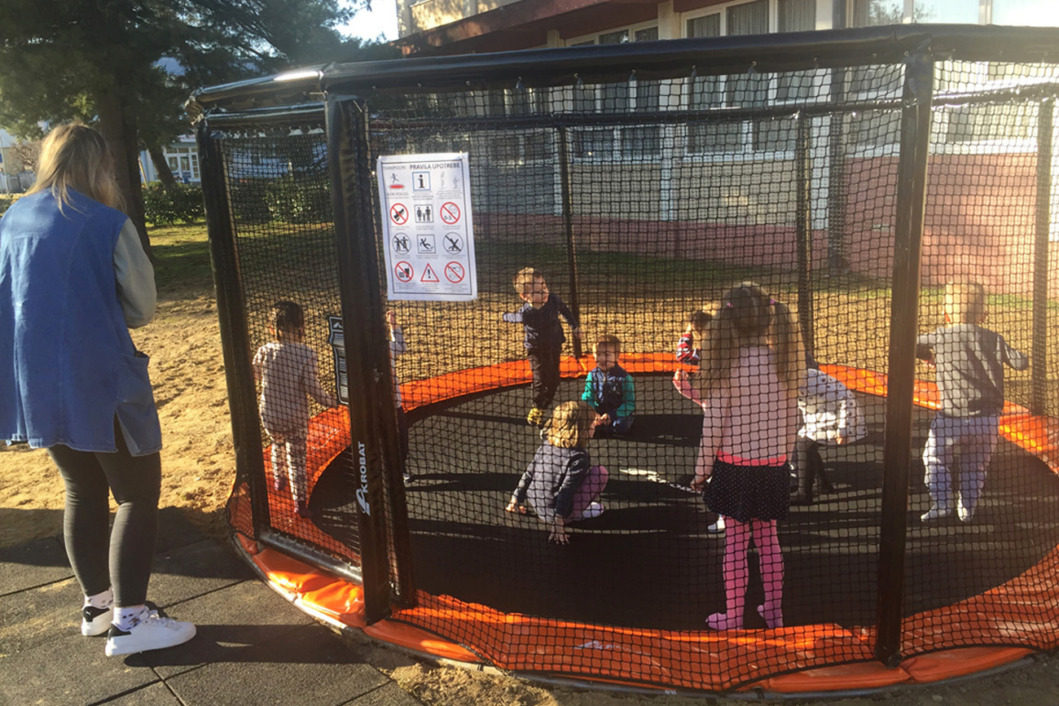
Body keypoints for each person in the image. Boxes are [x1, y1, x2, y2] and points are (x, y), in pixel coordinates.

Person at [0, 122, 195, 656]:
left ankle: (97, 606)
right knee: (136, 493)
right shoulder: (107, 222)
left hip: (34, 381)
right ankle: (130, 622)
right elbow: (141, 308)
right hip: (99, 376)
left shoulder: (12, 217)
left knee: (81, 490)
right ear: (98, 164)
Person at [673, 282, 805, 630]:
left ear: (725, 321)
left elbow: (713, 427)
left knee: (735, 545)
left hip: (735, 469)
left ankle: (734, 616)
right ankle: (773, 611)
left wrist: (701, 473)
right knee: (769, 541)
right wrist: (783, 459)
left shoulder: (726, 367)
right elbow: (792, 421)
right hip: (773, 468)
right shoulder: (783, 362)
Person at [915, 282, 1028, 523]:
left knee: (934, 458)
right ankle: (967, 508)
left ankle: (942, 502)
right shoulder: (994, 339)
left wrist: (930, 356)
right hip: (987, 422)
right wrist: (1018, 355)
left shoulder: (941, 336)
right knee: (974, 466)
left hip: (951, 418)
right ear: (983, 316)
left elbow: (911, 345)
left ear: (945, 315)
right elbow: (1021, 363)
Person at [253, 301, 339, 516]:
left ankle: (278, 479)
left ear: (272, 329)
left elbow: (253, 375)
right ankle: (299, 502)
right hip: (294, 418)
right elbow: (312, 386)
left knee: (277, 444)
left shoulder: (265, 350)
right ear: (301, 328)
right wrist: (330, 402)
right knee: (297, 460)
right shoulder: (305, 354)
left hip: (270, 415)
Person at [505, 401, 609, 544]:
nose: (595, 425)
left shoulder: (547, 444)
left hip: (537, 505)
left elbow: (529, 473)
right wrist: (558, 522)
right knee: (600, 473)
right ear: (581, 429)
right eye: (592, 423)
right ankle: (574, 514)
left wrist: (515, 499)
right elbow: (566, 490)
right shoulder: (579, 457)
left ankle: (557, 512)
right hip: (555, 514)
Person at [502, 267, 581, 426]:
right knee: (540, 379)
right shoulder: (526, 313)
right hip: (536, 349)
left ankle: (544, 404)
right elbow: (514, 317)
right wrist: (504, 316)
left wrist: (574, 326)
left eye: (544, 286)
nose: (544, 292)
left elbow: (565, 311)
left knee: (554, 379)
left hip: (555, 344)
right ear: (525, 297)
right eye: (538, 291)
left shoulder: (553, 300)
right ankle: (537, 406)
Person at [581, 334, 635, 435]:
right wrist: (593, 413)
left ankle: (605, 426)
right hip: (599, 410)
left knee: (621, 425)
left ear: (617, 356)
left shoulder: (624, 378)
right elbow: (588, 397)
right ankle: (600, 425)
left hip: (618, 411)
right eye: (598, 354)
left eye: (607, 355)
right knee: (582, 421)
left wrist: (612, 415)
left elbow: (630, 403)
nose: (602, 358)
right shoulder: (592, 375)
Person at [386, 310, 411, 483]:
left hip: (395, 402)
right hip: (378, 405)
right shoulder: (366, 351)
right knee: (385, 439)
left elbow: (402, 347)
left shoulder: (387, 345)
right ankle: (388, 471)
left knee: (402, 438)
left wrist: (393, 326)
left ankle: (400, 468)